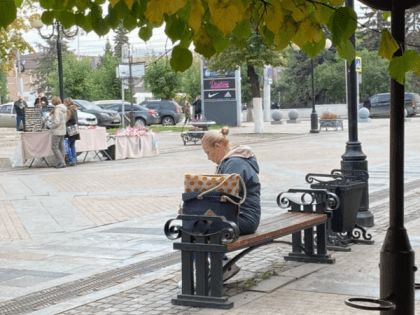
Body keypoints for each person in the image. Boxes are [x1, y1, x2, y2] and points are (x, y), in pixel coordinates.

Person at [201, 127, 261, 279]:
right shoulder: (232, 161)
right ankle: (219, 267)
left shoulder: (235, 164)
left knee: (195, 227)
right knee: (196, 223)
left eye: (208, 152)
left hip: (244, 218)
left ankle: (214, 270)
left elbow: (225, 197)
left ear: (218, 147)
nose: (208, 158)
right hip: (241, 216)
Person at [50, 97, 68, 169]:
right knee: (61, 147)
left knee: (54, 147)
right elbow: (65, 120)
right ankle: (60, 162)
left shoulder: (57, 110)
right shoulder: (64, 109)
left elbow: (56, 122)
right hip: (63, 130)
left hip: (57, 131)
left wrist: (51, 126)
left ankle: (62, 162)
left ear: (54, 103)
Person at [64, 97, 78, 166]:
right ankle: (74, 159)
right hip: (74, 129)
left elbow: (66, 120)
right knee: (72, 145)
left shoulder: (69, 110)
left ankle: (71, 160)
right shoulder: (74, 109)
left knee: (67, 145)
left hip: (68, 129)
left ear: (67, 103)